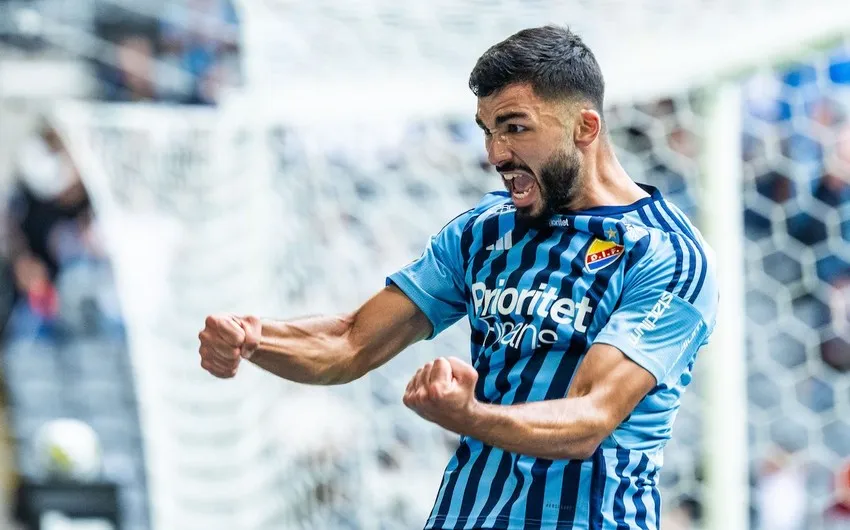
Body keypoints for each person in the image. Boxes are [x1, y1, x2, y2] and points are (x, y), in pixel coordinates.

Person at [198, 25, 718, 530]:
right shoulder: (482, 231)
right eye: (487, 131)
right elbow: (350, 341)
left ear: (584, 128)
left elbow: (590, 418)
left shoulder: (666, 253)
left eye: (515, 128)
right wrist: (255, 339)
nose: (496, 154)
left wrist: (470, 415)